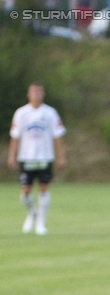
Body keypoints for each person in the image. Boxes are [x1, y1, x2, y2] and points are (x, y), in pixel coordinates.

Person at [8, 83, 66, 235]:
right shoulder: (21, 113)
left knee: (43, 188)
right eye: (33, 92)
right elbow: (15, 136)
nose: (36, 94)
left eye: (39, 91)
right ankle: (32, 213)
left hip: (45, 156)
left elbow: (57, 135)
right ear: (28, 94)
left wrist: (61, 156)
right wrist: (12, 155)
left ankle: (41, 222)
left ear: (43, 94)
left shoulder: (50, 113)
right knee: (25, 191)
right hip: (26, 156)